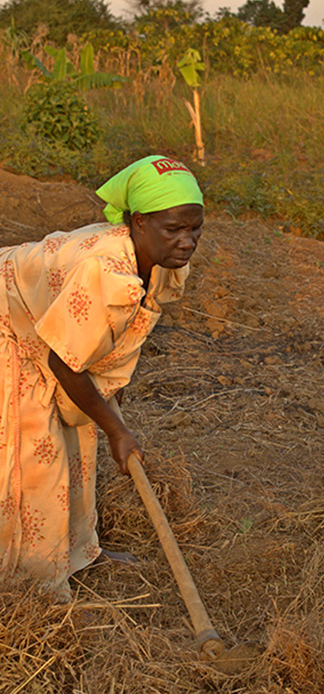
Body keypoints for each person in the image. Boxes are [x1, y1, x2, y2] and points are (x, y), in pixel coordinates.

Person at [0, 155, 204, 599]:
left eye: (194, 229)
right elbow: (62, 363)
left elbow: (114, 340)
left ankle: (79, 550)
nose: (187, 242)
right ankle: (35, 586)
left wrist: (108, 410)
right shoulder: (105, 272)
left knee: (81, 443)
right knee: (36, 455)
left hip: (43, 330)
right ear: (138, 224)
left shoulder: (160, 260)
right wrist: (118, 430)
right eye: (174, 229)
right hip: (11, 329)